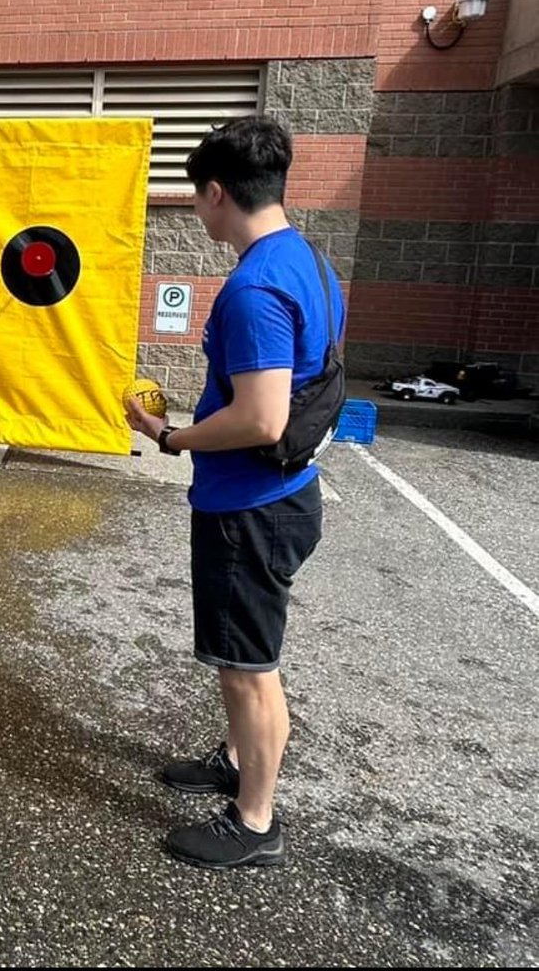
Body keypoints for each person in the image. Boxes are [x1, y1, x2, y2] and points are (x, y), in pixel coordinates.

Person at [126, 116, 345, 870]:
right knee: (242, 660)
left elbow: (261, 417)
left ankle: (255, 822)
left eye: (197, 196)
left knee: (250, 670)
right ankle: (234, 759)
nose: (196, 209)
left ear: (218, 193)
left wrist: (167, 436)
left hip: (250, 510)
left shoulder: (253, 288)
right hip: (285, 495)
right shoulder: (310, 261)